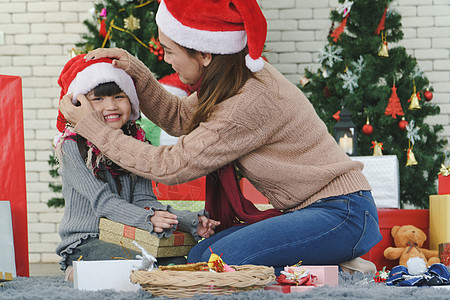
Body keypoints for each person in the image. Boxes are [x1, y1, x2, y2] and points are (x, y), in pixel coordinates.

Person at [59, 0, 382, 274]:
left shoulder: (247, 101)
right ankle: (324, 261)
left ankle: (331, 264)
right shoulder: (235, 78)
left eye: (170, 51)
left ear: (205, 54)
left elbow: (171, 166)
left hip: (342, 214)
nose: (165, 59)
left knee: (213, 263)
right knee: (201, 255)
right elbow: (182, 118)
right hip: (312, 213)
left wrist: (92, 127)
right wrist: (136, 72)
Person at [55, 54, 219, 281]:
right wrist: (147, 220)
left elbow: (144, 202)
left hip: (129, 235)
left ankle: (99, 274)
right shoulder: (71, 147)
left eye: (118, 96)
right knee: (141, 265)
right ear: (79, 104)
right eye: (98, 99)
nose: (111, 106)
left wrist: (188, 220)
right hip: (90, 239)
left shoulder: (136, 143)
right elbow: (104, 203)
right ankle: (78, 268)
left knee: (178, 264)